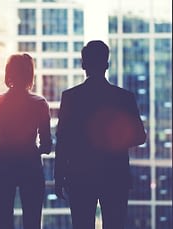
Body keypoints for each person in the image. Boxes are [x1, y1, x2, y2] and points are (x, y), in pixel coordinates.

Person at [55, 40, 146, 229]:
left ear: (83, 64)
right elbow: (140, 136)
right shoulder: (124, 97)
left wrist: (59, 176)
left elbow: (62, 140)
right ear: (106, 65)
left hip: (80, 175)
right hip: (115, 174)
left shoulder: (71, 97)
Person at [0, 53, 52, 229]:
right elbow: (47, 146)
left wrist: (4, 148)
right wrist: (30, 150)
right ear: (30, 75)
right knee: (33, 222)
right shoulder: (39, 103)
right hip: (31, 168)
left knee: (3, 222)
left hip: (3, 167)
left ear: (8, 73)